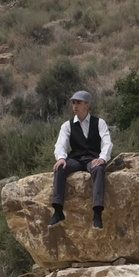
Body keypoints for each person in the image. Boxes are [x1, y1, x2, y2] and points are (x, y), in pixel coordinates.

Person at [50, 89, 114, 229]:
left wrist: (103, 158)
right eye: (73, 103)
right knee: (60, 168)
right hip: (76, 159)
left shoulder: (99, 123)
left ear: (87, 105)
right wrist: (61, 157)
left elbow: (107, 142)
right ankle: (58, 211)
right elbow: (60, 144)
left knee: (98, 170)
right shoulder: (67, 125)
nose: (75, 106)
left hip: (92, 158)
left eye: (78, 103)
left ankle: (97, 213)